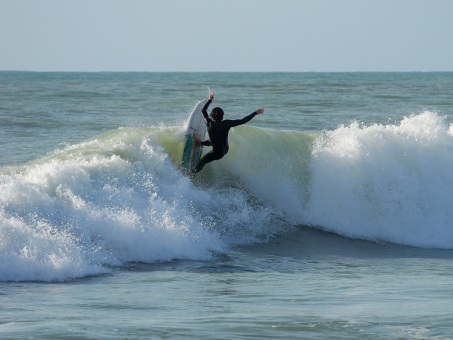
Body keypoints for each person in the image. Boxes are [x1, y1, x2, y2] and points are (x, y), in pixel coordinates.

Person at [193, 91, 265, 174]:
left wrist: (210, 99)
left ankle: (191, 174)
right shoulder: (226, 123)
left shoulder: (209, 123)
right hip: (225, 149)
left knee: (202, 162)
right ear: (222, 116)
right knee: (215, 139)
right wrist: (255, 112)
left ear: (211, 116)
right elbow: (243, 121)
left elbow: (203, 111)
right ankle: (202, 143)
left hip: (217, 153)